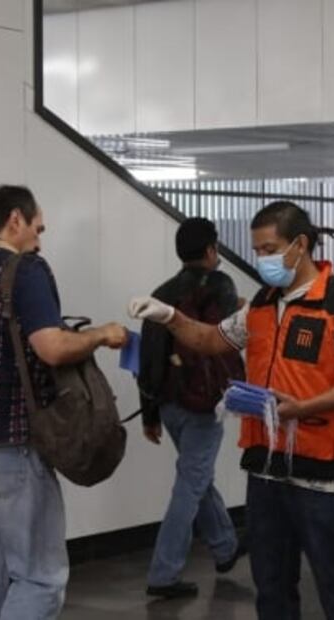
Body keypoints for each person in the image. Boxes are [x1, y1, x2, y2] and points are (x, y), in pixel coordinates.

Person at [128, 201, 334, 619]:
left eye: (268, 248)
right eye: (257, 250)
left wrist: (303, 408)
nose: (261, 258)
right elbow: (211, 340)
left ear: (299, 245)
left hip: (320, 474)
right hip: (265, 471)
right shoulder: (260, 306)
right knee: (271, 585)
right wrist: (169, 316)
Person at [0, 185, 127, 619]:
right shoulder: (24, 270)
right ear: (15, 220)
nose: (39, 239)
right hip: (11, 446)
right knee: (40, 579)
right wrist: (102, 335)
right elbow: (51, 348)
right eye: (37, 227)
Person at [138, 217, 246, 599]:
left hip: (169, 404)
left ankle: (225, 546)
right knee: (190, 483)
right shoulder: (221, 286)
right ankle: (163, 573)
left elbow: (147, 359)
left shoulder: (160, 293)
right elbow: (231, 336)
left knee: (196, 477)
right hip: (206, 403)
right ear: (211, 250)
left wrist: (149, 413)